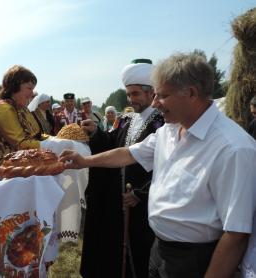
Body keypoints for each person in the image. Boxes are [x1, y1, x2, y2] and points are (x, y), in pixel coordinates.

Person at [60, 52, 256, 278]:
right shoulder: (169, 130)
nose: (155, 102)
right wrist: (85, 161)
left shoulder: (233, 148)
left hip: (193, 260)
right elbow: (127, 154)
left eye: (161, 95)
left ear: (191, 93)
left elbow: (236, 233)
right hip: (159, 251)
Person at [79, 60, 164, 278]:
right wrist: (96, 133)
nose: (131, 100)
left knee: (139, 253)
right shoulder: (125, 119)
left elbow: (167, 164)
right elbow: (111, 144)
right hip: (116, 199)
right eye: (128, 94)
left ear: (151, 92)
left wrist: (141, 194)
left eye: (135, 94)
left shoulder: (162, 122)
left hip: (142, 204)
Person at [0, 65, 45, 162]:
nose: (32, 94)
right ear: (15, 86)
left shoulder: (22, 108)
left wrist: (58, 139)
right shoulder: (4, 109)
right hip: (11, 168)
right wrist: (52, 144)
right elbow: (21, 144)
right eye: (29, 88)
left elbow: (37, 135)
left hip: (30, 162)